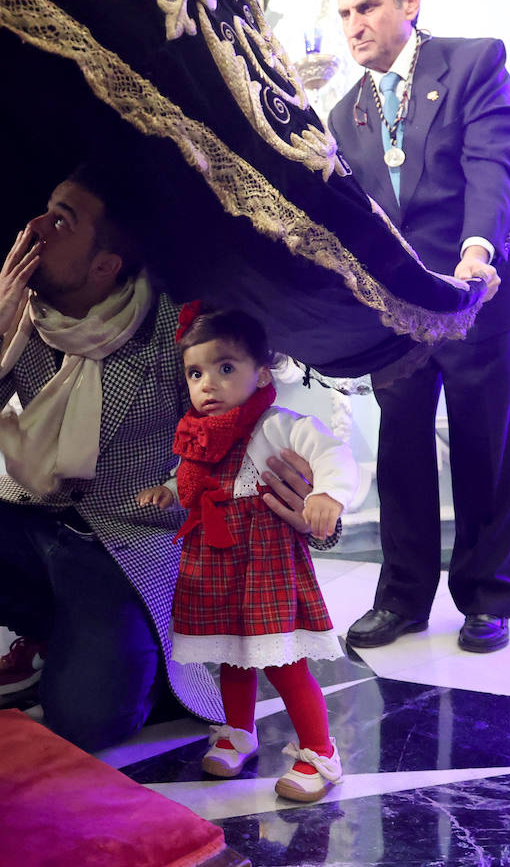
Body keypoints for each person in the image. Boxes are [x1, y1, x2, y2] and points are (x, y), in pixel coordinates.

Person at [0, 162, 339, 751]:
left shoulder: (179, 327)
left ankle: (133, 648)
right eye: (46, 208)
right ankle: (54, 627)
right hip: (37, 521)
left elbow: (251, 432)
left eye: (61, 221)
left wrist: (313, 506)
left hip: (127, 544)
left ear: (104, 266)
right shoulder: (21, 313)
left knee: (90, 722)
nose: (35, 226)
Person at [328, 0, 510, 653]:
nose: (354, 25)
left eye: (368, 6)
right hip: (400, 318)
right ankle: (404, 598)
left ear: (410, 1)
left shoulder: (472, 63)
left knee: (486, 450)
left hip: (479, 294)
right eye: (345, 12)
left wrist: (479, 250)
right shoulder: (341, 113)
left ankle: (484, 597)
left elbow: (493, 165)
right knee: (401, 455)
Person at [135, 306, 355, 800]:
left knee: (283, 661)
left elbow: (331, 451)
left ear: (260, 373)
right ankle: (238, 731)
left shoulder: (276, 424)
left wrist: (328, 494)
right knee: (231, 655)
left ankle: (320, 750)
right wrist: (170, 490)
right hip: (214, 556)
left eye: (225, 368)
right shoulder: (201, 434)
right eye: (196, 373)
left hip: (264, 557)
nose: (207, 384)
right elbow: (202, 478)